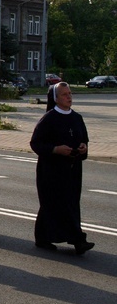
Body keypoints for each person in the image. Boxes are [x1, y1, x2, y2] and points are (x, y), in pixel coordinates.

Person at [30, 82, 94, 255]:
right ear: (55, 98)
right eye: (65, 94)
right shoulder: (49, 118)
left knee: (70, 203)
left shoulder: (77, 117)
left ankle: (67, 238)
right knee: (52, 203)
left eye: (70, 93)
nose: (69, 97)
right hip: (51, 170)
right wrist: (55, 149)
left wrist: (83, 147)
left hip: (72, 169)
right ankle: (74, 239)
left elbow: (84, 139)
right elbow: (35, 143)